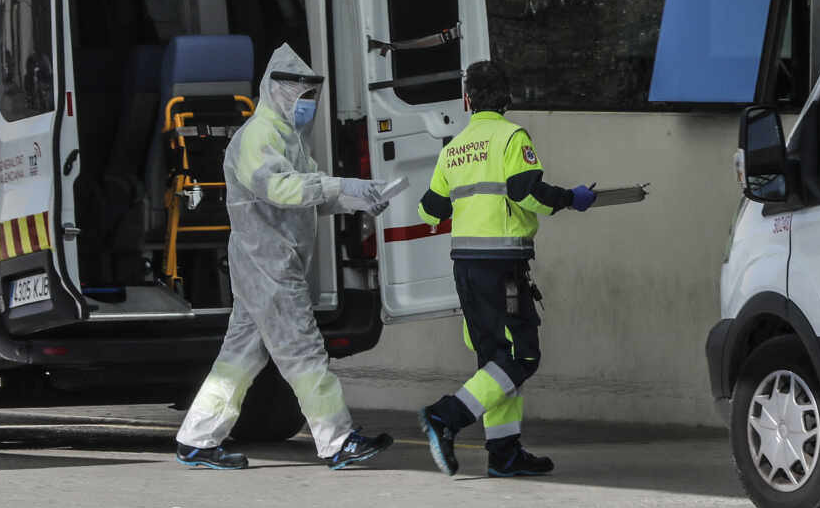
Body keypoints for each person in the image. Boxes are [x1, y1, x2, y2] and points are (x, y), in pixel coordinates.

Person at [175, 44, 395, 470]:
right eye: (302, 95)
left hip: (270, 262)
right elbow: (282, 190)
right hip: (269, 263)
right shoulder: (259, 137)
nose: (307, 104)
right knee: (304, 350)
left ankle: (197, 439)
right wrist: (339, 185)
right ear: (277, 92)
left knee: (239, 357)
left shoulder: (287, 138)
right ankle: (337, 440)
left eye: (311, 96)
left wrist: (357, 199)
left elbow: (306, 196)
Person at [415, 61, 600, 478]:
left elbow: (430, 210)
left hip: (465, 267)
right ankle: (445, 416)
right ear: (507, 97)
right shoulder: (511, 136)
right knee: (521, 355)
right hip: (502, 266)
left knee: (494, 360)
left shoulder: (454, 147)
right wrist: (571, 197)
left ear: (467, 100)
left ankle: (504, 452)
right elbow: (525, 191)